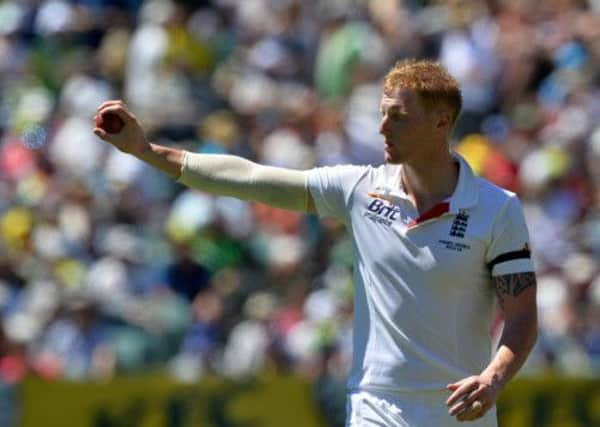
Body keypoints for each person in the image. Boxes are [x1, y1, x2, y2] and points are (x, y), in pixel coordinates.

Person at [93, 59, 537, 426]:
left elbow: (521, 317)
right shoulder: (358, 189)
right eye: (381, 113)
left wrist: (494, 379)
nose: (382, 127)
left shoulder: (496, 208)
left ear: (441, 123)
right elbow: (252, 179)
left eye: (398, 117)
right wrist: (149, 151)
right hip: (375, 405)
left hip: (462, 409)